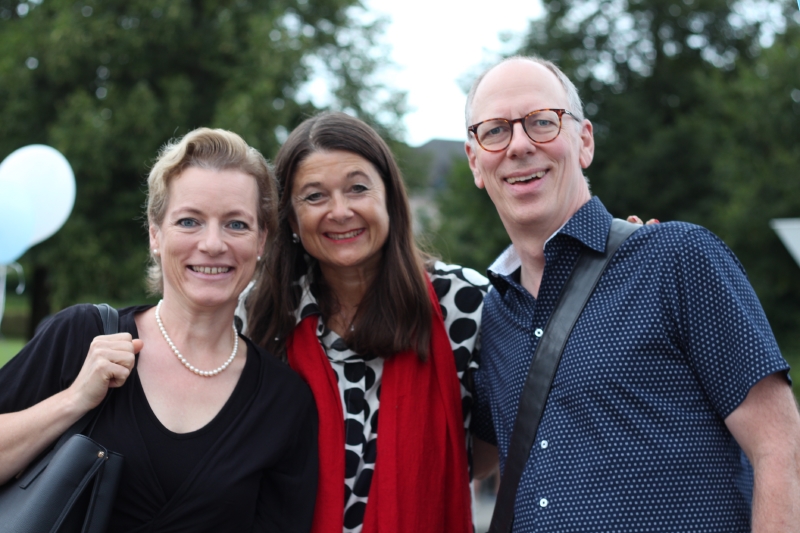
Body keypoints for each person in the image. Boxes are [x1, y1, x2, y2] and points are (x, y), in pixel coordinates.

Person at [465, 55, 800, 531]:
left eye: (542, 121)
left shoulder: (676, 259)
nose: (519, 145)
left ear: (584, 142)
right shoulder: (491, 314)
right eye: (495, 130)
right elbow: (458, 459)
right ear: (475, 161)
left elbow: (780, 448)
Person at [0, 128, 318, 532]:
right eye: (189, 221)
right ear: (155, 234)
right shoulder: (81, 336)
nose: (213, 244)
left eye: (236, 224)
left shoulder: (282, 403)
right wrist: (73, 400)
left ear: (261, 241)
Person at [244, 112, 496, 533]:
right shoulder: (257, 313)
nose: (340, 211)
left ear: (390, 197)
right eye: (314, 196)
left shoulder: (466, 303)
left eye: (357, 188)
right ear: (290, 219)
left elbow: (490, 449)